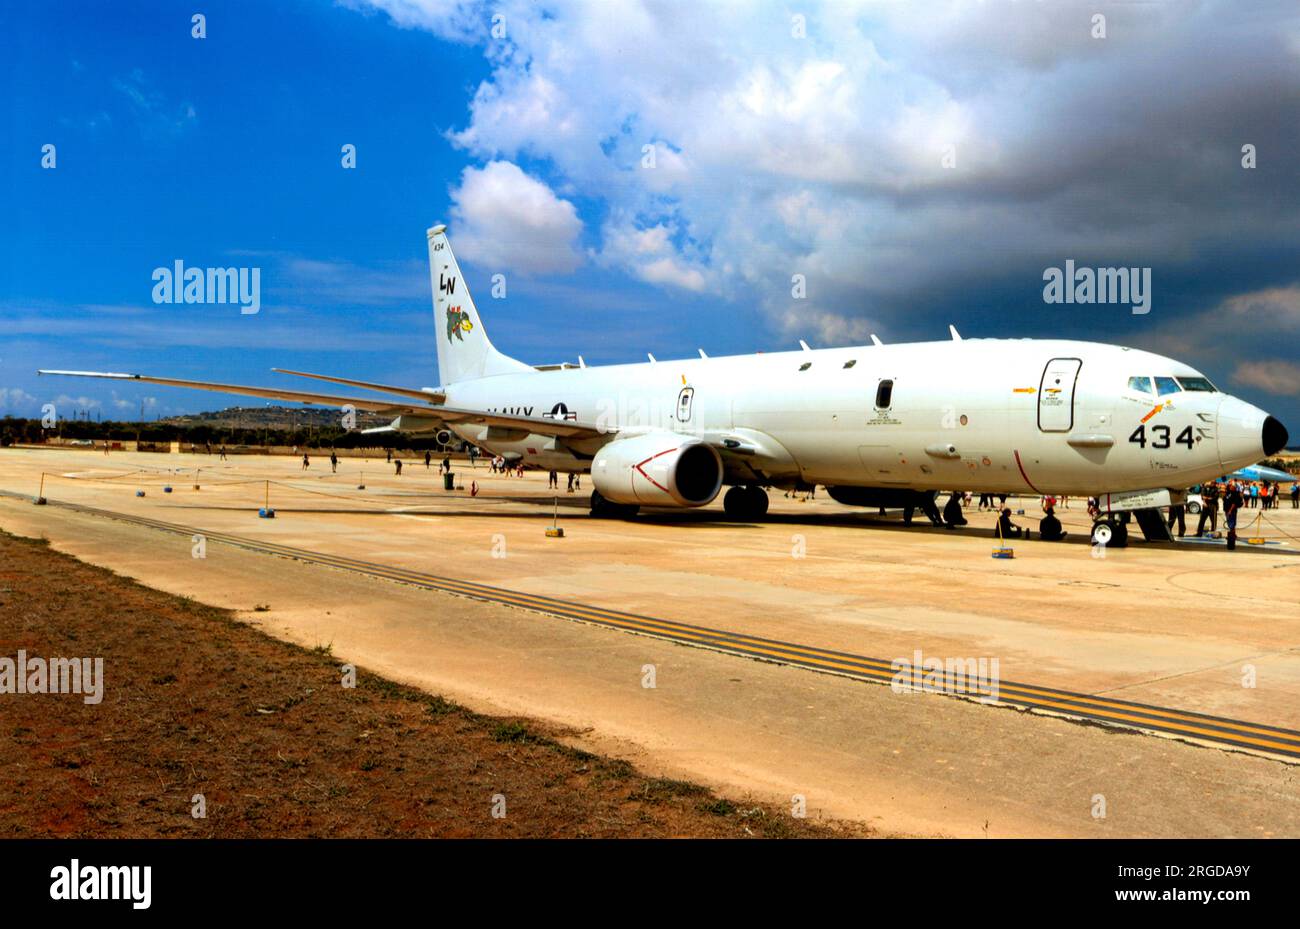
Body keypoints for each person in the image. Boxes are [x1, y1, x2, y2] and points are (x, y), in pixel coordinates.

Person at [1224, 481, 1244, 550]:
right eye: (1230, 486)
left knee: (1232, 523)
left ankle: (1232, 536)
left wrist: (1230, 511)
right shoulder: (1228, 493)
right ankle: (1233, 534)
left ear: (1234, 487)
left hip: (1231, 511)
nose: (1230, 487)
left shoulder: (1235, 494)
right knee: (1230, 523)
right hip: (1227, 510)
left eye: (1232, 486)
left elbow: (1234, 503)